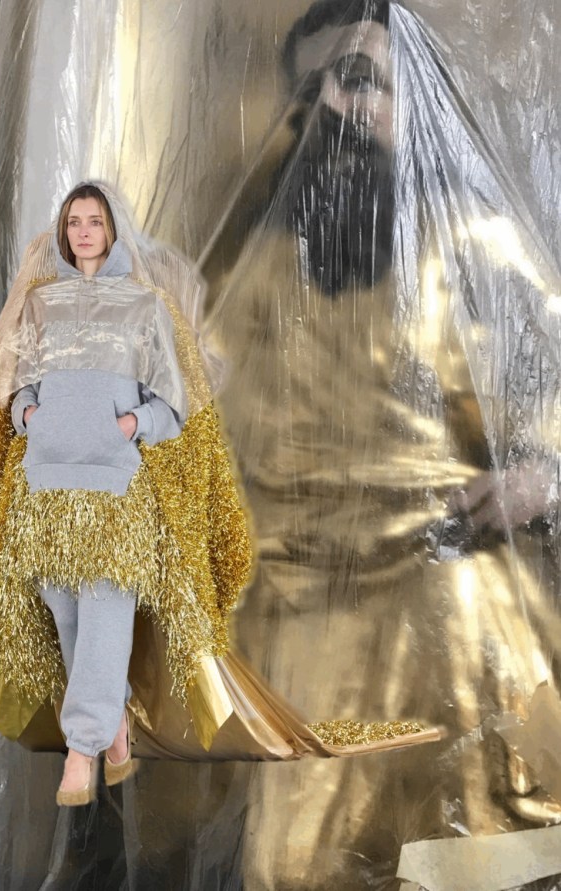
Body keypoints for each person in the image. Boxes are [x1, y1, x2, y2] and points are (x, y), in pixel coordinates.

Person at [200, 0, 561, 885]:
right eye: (312, 89)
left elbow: (551, 402)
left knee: (479, 857)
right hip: (305, 623)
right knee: (301, 865)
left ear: (419, 102)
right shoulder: (258, 271)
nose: (333, 105)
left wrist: (542, 477)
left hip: (457, 612)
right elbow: (211, 422)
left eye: (360, 79)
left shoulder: (481, 247)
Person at [0, 181, 254, 805]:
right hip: (45, 485)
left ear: (112, 228)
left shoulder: (144, 305)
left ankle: (82, 751)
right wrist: (30, 417)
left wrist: (129, 425)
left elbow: (171, 402)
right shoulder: (42, 304)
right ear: (63, 232)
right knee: (66, 612)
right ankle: (113, 722)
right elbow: (22, 382)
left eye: (94, 221)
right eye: (74, 222)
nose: (84, 232)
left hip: (116, 488)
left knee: (106, 610)